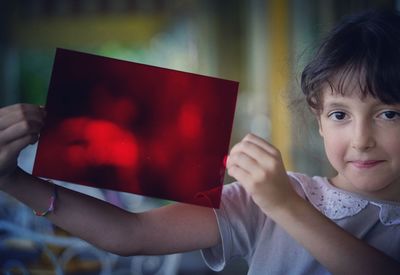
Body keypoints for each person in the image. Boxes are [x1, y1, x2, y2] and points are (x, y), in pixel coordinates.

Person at [1, 9, 400, 274]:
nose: (361, 140)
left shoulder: (280, 198)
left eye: (389, 114)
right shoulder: (275, 194)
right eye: (340, 115)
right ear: (318, 121)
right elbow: (130, 234)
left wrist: (284, 205)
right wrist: (14, 180)